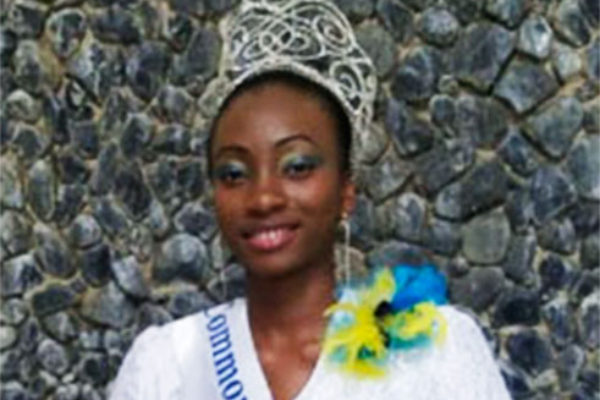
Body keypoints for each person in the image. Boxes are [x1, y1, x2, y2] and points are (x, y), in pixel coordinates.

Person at [109, 1, 512, 399]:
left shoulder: (433, 352)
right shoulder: (167, 365)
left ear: (346, 190)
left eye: (297, 166)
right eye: (233, 173)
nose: (263, 198)